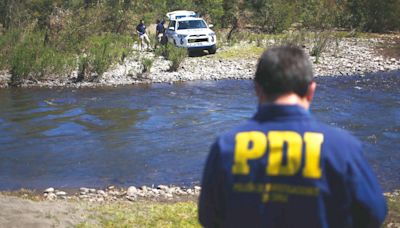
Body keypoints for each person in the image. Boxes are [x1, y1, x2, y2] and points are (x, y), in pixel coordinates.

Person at [198, 46, 387, 228]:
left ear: (257, 89)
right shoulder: (343, 147)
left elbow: (208, 217)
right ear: (311, 91)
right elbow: (374, 213)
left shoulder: (226, 146)